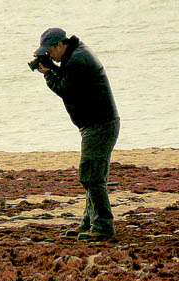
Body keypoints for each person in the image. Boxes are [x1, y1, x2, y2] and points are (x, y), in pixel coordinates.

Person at [33, 28, 120, 240]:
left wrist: (47, 73)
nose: (50, 55)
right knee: (92, 176)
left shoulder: (77, 59)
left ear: (60, 46)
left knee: (92, 176)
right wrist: (53, 67)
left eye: (50, 51)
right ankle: (89, 223)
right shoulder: (76, 54)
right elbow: (71, 79)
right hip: (97, 125)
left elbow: (65, 88)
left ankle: (103, 227)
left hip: (100, 125)